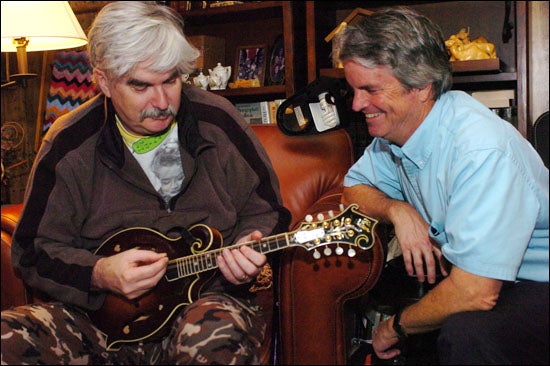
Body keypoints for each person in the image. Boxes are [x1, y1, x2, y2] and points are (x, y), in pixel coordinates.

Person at [1, 1, 290, 364]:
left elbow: (269, 211)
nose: (161, 101)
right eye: (141, 86)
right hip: (96, 321)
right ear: (103, 81)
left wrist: (251, 245)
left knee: (210, 339)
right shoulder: (69, 144)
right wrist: (99, 273)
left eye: (170, 80)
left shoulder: (219, 122)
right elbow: (31, 251)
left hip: (207, 303)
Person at [336, 6, 549, 365]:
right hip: (482, 274)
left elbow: (475, 293)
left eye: (370, 89)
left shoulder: (480, 150)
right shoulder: (395, 134)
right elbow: (352, 189)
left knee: (465, 336)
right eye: (354, 90)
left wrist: (393, 327)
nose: (358, 104)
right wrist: (397, 210)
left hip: (536, 281)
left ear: (421, 86)